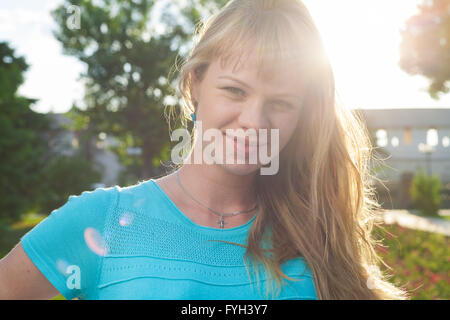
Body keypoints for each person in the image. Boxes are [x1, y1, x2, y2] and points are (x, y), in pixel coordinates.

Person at [0, 0, 409, 300]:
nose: (254, 120)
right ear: (195, 83)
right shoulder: (98, 221)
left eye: (281, 103)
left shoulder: (318, 232)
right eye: (235, 90)